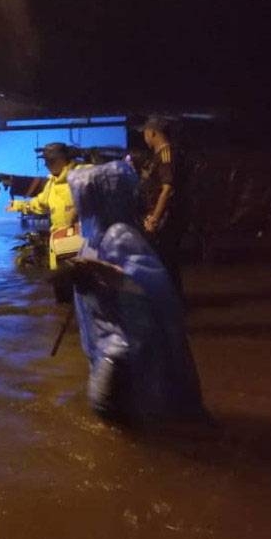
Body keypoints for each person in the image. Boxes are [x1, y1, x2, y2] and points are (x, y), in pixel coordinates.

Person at [65, 161, 206, 424]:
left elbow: (149, 286)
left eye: (82, 198)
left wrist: (103, 272)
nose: (78, 205)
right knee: (116, 420)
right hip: (106, 344)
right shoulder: (95, 237)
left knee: (109, 415)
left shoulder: (120, 236)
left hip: (122, 349)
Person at [6, 143, 84, 271]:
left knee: (83, 284)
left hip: (82, 244)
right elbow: (40, 204)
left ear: (62, 160)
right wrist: (19, 205)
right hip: (60, 243)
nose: (46, 165)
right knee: (61, 283)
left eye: (49, 161)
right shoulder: (52, 184)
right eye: (46, 161)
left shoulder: (82, 176)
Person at [139, 115, 188, 297]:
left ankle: (173, 302)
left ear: (152, 133)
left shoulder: (167, 155)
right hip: (161, 217)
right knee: (163, 260)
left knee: (166, 260)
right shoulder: (157, 156)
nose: (144, 137)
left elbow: (167, 190)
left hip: (167, 219)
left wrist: (155, 218)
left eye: (145, 132)